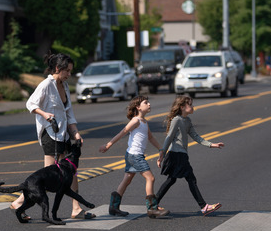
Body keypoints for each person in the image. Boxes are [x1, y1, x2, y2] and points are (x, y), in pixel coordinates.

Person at [10, 52, 95, 220]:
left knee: (71, 171)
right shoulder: (46, 85)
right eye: (68, 71)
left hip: (63, 134)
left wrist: (76, 133)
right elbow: (31, 104)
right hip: (49, 133)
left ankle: (76, 208)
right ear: (58, 68)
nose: (70, 74)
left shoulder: (64, 86)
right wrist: (44, 114)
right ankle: (20, 201)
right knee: (48, 177)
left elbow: (69, 113)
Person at [99, 96, 169, 218]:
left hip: (132, 154)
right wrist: (108, 145)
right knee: (150, 178)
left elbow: (150, 137)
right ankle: (152, 209)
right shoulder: (135, 121)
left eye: (148, 102)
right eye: (146, 103)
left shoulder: (144, 122)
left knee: (127, 179)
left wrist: (160, 149)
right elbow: (123, 132)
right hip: (135, 155)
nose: (149, 104)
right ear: (138, 107)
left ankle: (114, 207)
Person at [156, 95, 223, 216]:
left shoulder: (187, 121)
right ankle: (204, 206)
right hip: (176, 155)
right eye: (190, 105)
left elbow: (196, 137)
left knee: (172, 180)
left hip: (181, 155)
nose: (192, 107)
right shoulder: (176, 120)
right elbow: (169, 138)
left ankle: (153, 203)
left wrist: (212, 145)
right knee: (190, 179)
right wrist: (161, 154)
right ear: (182, 107)